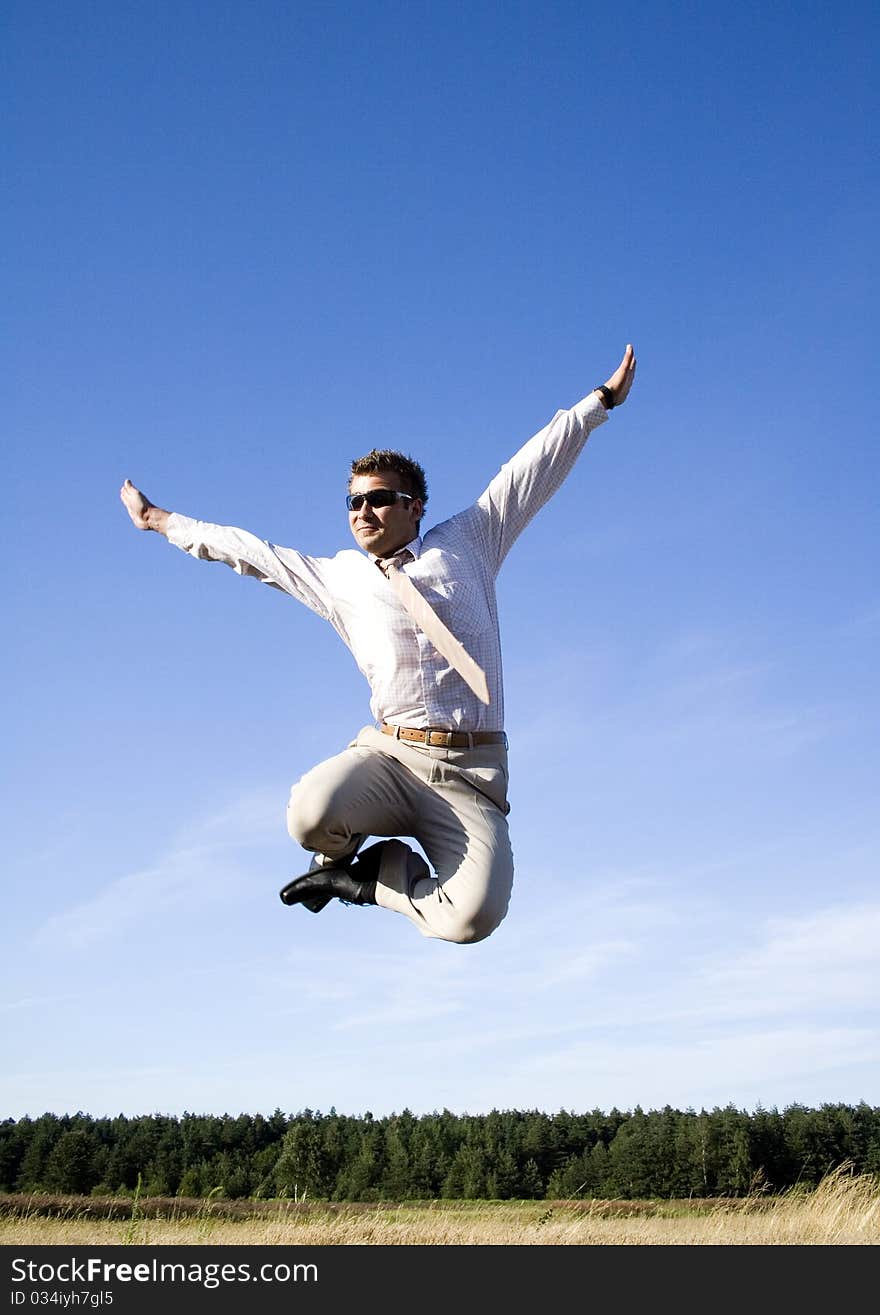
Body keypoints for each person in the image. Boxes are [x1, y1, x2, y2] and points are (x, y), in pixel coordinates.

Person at [120, 344, 637, 944]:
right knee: (310, 816)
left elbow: (529, 469)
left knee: (471, 919)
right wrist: (160, 520)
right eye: (354, 502)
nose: (364, 511)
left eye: (380, 498)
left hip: (469, 772)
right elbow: (248, 551)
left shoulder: (470, 541)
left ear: (415, 507)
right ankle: (342, 855)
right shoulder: (337, 577)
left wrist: (598, 403)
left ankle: (375, 878)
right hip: (392, 759)